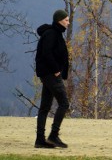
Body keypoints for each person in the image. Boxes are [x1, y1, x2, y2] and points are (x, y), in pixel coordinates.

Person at [34, 9, 71, 149]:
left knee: (45, 107)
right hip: (50, 74)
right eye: (66, 20)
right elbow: (47, 53)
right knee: (64, 103)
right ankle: (53, 136)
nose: (68, 22)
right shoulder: (51, 34)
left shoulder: (56, 33)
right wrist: (56, 69)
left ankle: (40, 140)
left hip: (48, 73)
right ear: (59, 20)